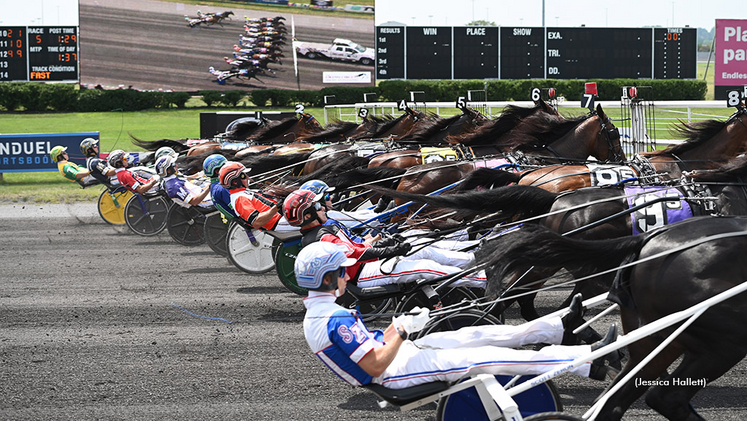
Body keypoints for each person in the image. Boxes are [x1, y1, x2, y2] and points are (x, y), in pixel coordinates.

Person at [297, 242, 618, 390]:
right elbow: (375, 364)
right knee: (493, 357)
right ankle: (590, 359)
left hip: (402, 354)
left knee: (478, 334)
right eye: (341, 272)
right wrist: (401, 328)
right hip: (393, 374)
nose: (344, 276)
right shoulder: (333, 320)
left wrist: (406, 329)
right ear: (327, 279)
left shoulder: (323, 312)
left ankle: (558, 325)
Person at [282, 189, 486, 288]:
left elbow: (355, 246)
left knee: (421, 248)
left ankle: (474, 261)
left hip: (365, 265)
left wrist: (384, 242)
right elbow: (354, 254)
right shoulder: (322, 238)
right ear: (307, 215)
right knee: (423, 267)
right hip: (360, 275)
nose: (323, 207)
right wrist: (393, 250)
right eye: (317, 206)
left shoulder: (325, 229)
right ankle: (483, 281)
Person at [219, 161, 290, 231]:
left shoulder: (242, 193)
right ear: (235, 182)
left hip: (281, 217)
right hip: (278, 222)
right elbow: (256, 222)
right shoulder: (240, 199)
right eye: (243, 176)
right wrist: (276, 207)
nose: (247, 177)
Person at [203, 154, 238, 219]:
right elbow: (238, 207)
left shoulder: (215, 186)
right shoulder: (221, 188)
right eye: (225, 167)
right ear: (217, 171)